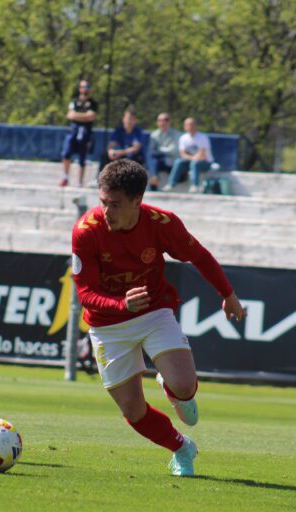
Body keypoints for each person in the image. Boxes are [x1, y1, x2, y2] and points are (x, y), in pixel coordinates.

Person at [71, 158, 245, 476]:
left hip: (153, 312)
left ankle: (171, 387)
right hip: (106, 325)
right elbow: (85, 294)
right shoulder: (86, 231)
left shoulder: (161, 223)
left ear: (138, 202)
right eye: (102, 202)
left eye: (115, 204)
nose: (105, 211)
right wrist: (123, 306)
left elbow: (199, 256)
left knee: (184, 385)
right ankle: (182, 448)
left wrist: (227, 293)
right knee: (133, 411)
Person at [60, 80, 98, 187]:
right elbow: (70, 115)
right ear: (80, 88)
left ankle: (80, 182)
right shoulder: (75, 101)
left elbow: (92, 116)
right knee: (66, 153)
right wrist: (85, 116)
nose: (85, 89)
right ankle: (65, 177)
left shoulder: (92, 103)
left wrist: (78, 116)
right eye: (83, 87)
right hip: (73, 130)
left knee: (82, 156)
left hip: (86, 132)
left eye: (87, 86)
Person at [162, 118, 215, 193]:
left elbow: (202, 156)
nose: (190, 126)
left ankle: (195, 186)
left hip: (205, 163)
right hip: (191, 161)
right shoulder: (183, 138)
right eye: (187, 125)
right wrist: (193, 158)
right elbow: (183, 155)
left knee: (195, 163)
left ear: (196, 126)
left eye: (192, 124)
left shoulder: (202, 137)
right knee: (179, 162)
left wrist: (192, 158)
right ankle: (171, 184)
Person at [147, 113, 181, 191]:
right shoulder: (154, 135)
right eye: (160, 120)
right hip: (161, 160)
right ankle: (154, 179)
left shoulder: (176, 134)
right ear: (157, 122)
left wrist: (160, 150)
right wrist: (164, 150)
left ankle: (154, 181)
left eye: (166, 120)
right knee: (152, 159)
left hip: (173, 162)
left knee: (154, 158)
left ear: (169, 122)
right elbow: (152, 151)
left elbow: (174, 151)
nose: (163, 122)